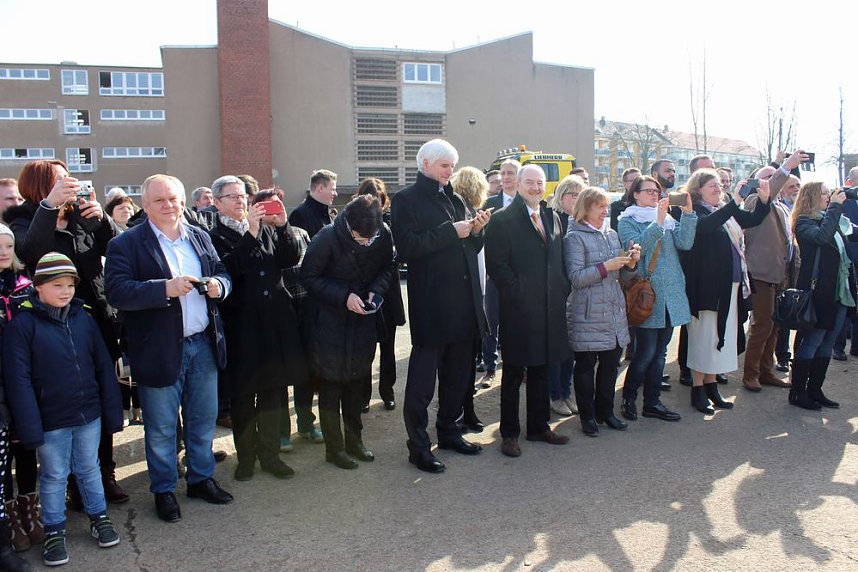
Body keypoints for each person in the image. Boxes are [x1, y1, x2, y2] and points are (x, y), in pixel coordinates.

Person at [104, 174, 234, 524]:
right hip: (158, 349)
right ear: (145, 205)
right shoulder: (126, 244)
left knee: (203, 418)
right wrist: (164, 288)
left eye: (174, 198)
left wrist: (218, 287)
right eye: (159, 200)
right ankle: (163, 490)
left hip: (203, 343)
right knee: (161, 427)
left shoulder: (199, 236)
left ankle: (200, 478)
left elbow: (223, 273)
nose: (169, 205)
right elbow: (117, 292)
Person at [3, 160, 128, 505]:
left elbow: (119, 247)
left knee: (100, 396)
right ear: (41, 186)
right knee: (64, 404)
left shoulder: (79, 216)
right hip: (52, 327)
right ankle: (71, 482)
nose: (69, 185)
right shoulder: (24, 218)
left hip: (94, 321)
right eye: (60, 181)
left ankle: (103, 474)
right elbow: (29, 252)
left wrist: (102, 220)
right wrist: (48, 207)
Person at [3, 252, 122, 567]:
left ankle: (98, 515)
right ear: (39, 286)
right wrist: (29, 426)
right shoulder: (23, 325)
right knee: (54, 475)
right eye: (57, 285)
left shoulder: (83, 317)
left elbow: (101, 367)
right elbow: (19, 380)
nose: (66, 291)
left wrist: (111, 410)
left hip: (88, 414)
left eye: (70, 284)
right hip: (50, 419)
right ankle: (54, 530)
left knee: (89, 467)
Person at [391, 139, 491, 473]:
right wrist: (453, 231)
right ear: (426, 164)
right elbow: (406, 248)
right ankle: (418, 446)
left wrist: (476, 231)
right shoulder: (406, 199)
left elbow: (468, 246)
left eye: (453, 164)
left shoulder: (458, 198)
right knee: (422, 384)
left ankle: (449, 431)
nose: (451, 171)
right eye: (445, 165)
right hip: (433, 305)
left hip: (463, 305)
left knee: (457, 378)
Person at [206, 176, 307, 481]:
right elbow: (229, 269)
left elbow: (289, 259)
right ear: (217, 202)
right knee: (243, 398)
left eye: (243, 195)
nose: (240, 201)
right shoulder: (212, 235)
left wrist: (282, 225)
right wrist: (250, 233)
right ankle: (246, 457)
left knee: (273, 394)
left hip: (275, 322)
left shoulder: (265, 227)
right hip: (242, 327)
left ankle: (271, 455)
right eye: (233, 197)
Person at [301, 195, 394, 469]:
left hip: (363, 322)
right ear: (348, 224)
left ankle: (355, 441)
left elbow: (388, 266)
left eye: (370, 237)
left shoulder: (382, 233)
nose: (365, 242)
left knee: (356, 384)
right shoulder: (327, 237)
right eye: (359, 237)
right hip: (330, 323)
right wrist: (344, 296)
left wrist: (376, 292)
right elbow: (309, 277)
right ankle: (335, 448)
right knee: (331, 388)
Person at [486, 165, 571, 457]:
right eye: (530, 182)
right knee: (513, 374)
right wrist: (518, 294)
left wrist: (561, 291)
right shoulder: (502, 220)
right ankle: (509, 433)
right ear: (518, 184)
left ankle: (538, 426)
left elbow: (557, 261)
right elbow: (498, 266)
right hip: (519, 310)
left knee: (542, 370)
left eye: (540, 183)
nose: (536, 187)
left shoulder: (553, 216)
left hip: (550, 309)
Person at [682, 168, 770, 414]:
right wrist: (736, 202)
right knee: (704, 337)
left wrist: (764, 200)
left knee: (720, 338)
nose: (717, 189)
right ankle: (697, 389)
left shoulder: (726, 211)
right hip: (707, 288)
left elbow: (752, 220)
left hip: (730, 285)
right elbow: (706, 227)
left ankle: (711, 386)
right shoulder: (694, 211)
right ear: (697, 189)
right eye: (712, 185)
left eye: (719, 185)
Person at [618, 176, 697, 422]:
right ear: (635, 194)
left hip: (671, 292)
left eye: (657, 191)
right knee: (645, 352)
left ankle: (652, 402)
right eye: (648, 191)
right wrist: (658, 224)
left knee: (660, 352)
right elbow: (637, 249)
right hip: (647, 295)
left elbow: (685, 243)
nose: (654, 195)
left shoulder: (669, 219)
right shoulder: (627, 220)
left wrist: (688, 214)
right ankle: (628, 398)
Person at [565, 187, 640, 437]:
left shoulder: (611, 234)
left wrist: (631, 263)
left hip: (613, 310)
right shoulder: (574, 237)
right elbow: (575, 278)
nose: (605, 211)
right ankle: (587, 417)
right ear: (586, 208)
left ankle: (605, 412)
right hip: (587, 312)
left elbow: (623, 275)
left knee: (610, 366)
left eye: (606, 206)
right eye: (600, 206)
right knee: (586, 367)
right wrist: (605, 267)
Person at [741, 152, 808, 392]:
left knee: (776, 325)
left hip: (781, 275)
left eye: (772, 177)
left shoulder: (781, 206)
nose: (770, 182)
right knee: (762, 325)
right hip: (761, 274)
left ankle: (766, 371)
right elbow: (767, 192)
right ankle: (751, 374)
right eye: (765, 178)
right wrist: (786, 166)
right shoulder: (753, 202)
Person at [789, 182, 856, 409]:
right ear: (811, 197)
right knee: (812, 342)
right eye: (825, 194)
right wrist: (836, 208)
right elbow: (821, 238)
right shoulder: (804, 222)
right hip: (818, 292)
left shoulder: (831, 219)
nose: (829, 197)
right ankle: (797, 393)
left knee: (827, 344)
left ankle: (815, 390)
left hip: (838, 292)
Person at [0, 224, 38, 568]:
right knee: (4, 458)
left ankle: (30, 507)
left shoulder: (25, 289)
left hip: (25, 380)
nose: (3, 251)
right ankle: (9, 515)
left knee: (26, 446)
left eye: (8, 244)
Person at [352, 178, 405, 413]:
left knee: (388, 347)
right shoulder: (353, 221)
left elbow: (397, 259)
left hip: (388, 293)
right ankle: (362, 396)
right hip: (364, 293)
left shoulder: (391, 223)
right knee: (364, 349)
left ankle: (387, 391)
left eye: (379, 197)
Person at [450, 167, 489, 433]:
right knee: (460, 364)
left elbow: (476, 246)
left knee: (469, 359)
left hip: (477, 289)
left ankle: (469, 412)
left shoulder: (468, 212)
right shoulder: (456, 211)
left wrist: (478, 229)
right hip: (466, 292)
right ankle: (458, 414)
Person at [546, 174, 586, 416]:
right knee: (558, 349)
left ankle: (566, 391)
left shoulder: (582, 221)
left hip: (579, 293)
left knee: (572, 349)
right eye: (572, 194)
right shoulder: (555, 220)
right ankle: (555, 395)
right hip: (558, 294)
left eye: (580, 194)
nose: (577, 198)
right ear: (561, 197)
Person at [478, 159, 519, 388]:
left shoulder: (528, 204)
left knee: (516, 322)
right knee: (491, 322)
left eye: (510, 173)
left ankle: (517, 366)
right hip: (494, 274)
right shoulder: (489, 204)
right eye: (503, 173)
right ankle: (490, 368)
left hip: (520, 275)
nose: (505, 177)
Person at [833, 165, 858, 361]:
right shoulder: (842, 200)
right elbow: (843, 229)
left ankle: (856, 346)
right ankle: (838, 347)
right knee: (844, 302)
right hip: (847, 261)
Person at [289, 169, 338, 239]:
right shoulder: (299, 215)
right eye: (333, 189)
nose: (336, 194)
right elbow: (298, 247)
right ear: (320, 188)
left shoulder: (327, 215)